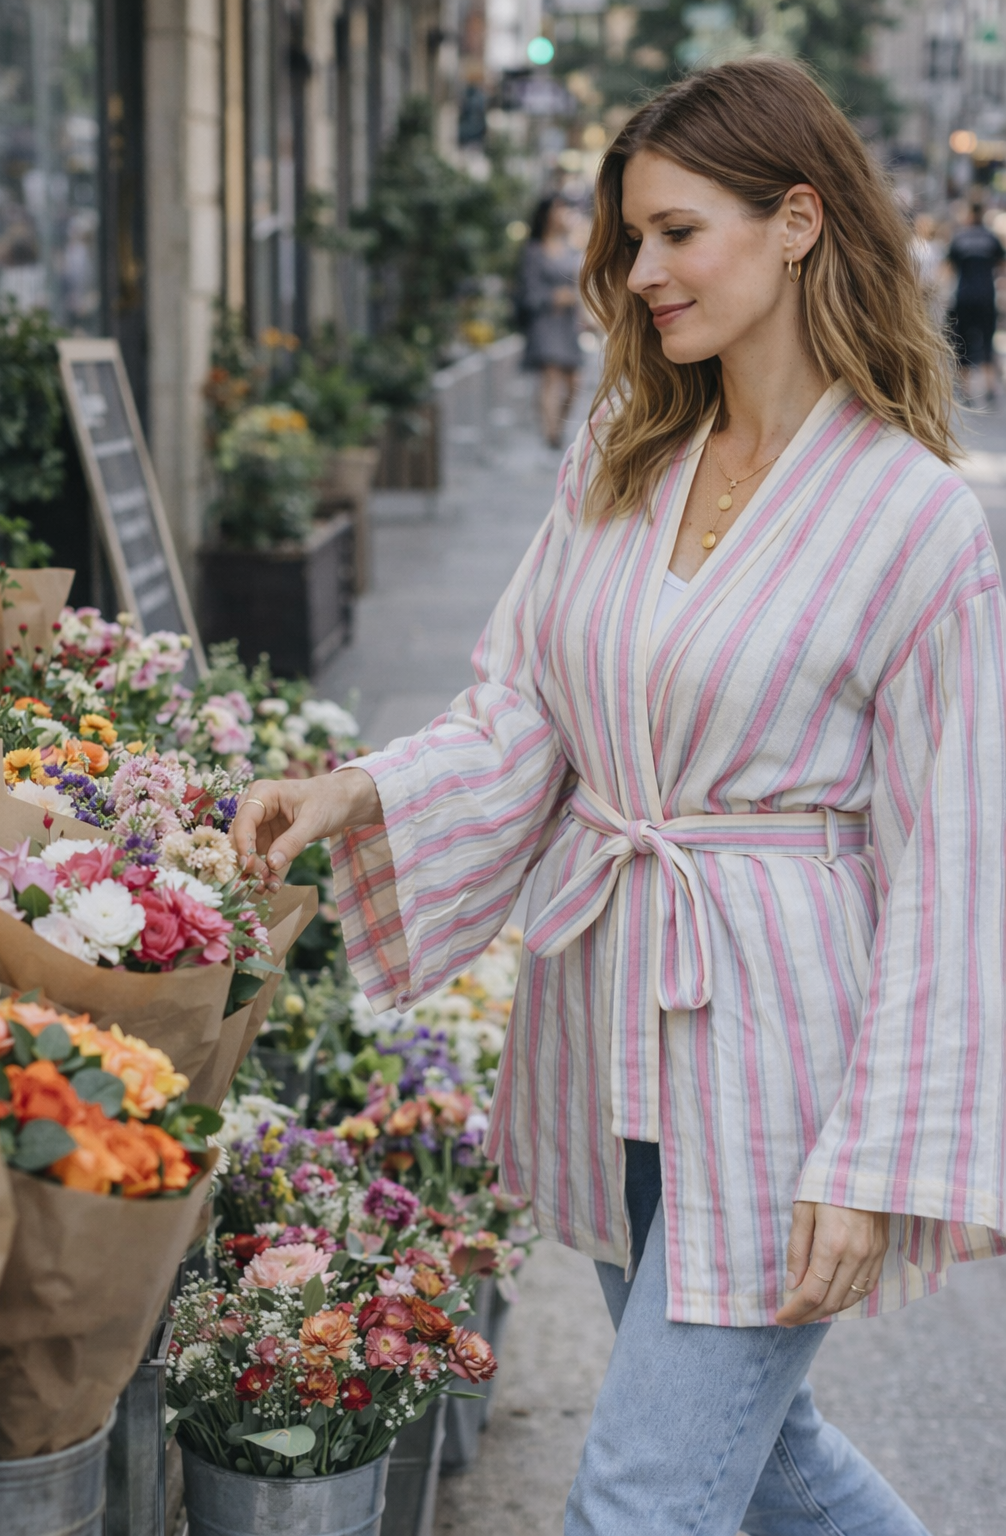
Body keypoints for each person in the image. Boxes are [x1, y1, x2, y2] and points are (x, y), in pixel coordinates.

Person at [233, 57, 1006, 1536]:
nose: (639, 273)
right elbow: (524, 705)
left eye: (675, 233)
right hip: (615, 1023)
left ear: (797, 221)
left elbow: (953, 874)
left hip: (788, 1056)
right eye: (628, 241)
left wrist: (873, 1161)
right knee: (771, 1464)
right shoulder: (626, 454)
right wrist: (353, 795)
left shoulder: (915, 523)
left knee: (639, 1501)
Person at [518, 194, 585, 448]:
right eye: (558, 210)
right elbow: (528, 292)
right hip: (545, 322)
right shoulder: (533, 252)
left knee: (574, 381)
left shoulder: (571, 249)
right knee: (550, 376)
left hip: (567, 324)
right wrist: (553, 298)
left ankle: (558, 428)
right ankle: (551, 434)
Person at [947, 200, 1004, 405]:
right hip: (986, 296)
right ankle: (989, 387)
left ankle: (966, 390)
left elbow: (949, 268)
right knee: (987, 341)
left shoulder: (960, 238)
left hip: (964, 296)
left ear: (970, 214)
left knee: (963, 343)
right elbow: (1001, 265)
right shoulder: (991, 238)